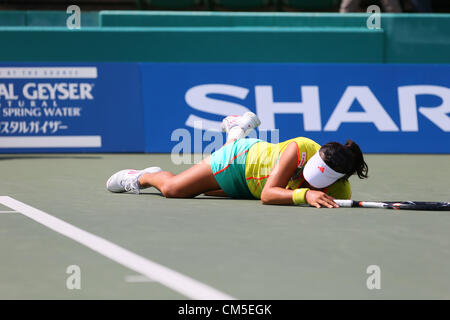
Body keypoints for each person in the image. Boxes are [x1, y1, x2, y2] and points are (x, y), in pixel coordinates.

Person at [106, 112, 368, 208]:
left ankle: (236, 129)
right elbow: (268, 195)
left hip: (249, 187)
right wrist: (306, 196)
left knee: (206, 191)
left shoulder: (340, 189)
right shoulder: (299, 148)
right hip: (240, 161)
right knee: (175, 190)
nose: (312, 182)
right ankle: (142, 176)